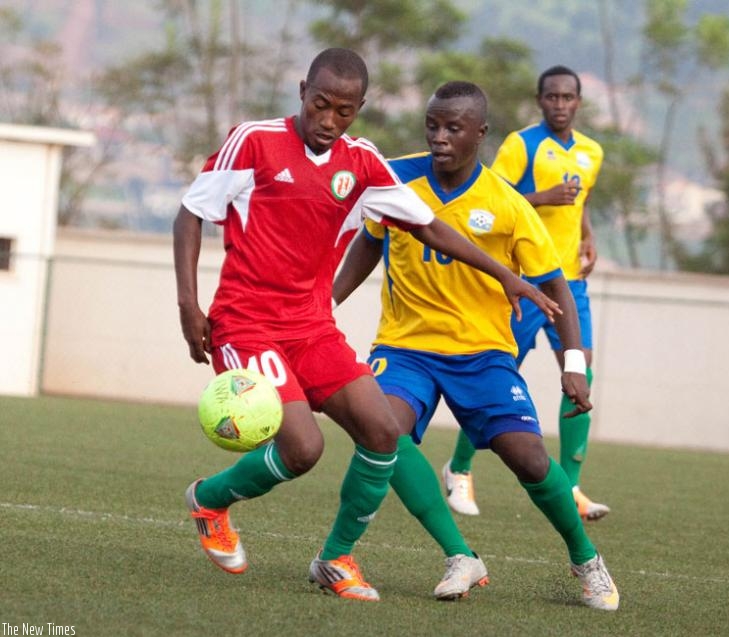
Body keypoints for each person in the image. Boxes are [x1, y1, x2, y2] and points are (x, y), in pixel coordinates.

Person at [173, 49, 558, 603]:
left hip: (312, 327)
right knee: (304, 448)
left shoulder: (362, 161)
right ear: (303, 90)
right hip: (247, 322)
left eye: (344, 111)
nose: (329, 121)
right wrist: (190, 307)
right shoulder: (254, 140)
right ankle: (210, 500)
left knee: (383, 432)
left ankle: (337, 559)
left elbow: (429, 228)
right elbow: (190, 214)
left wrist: (507, 277)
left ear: (359, 108)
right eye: (320, 104)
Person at [333, 81, 619, 610]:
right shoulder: (396, 178)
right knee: (382, 433)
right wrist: (323, 303)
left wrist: (573, 364)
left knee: (530, 459)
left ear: (480, 134)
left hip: (483, 352)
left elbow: (555, 283)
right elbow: (368, 245)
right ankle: (451, 554)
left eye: (453, 128)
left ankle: (586, 560)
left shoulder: (508, 204)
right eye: (432, 126)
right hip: (405, 347)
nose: (440, 137)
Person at [442, 65, 610, 521]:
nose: (560, 104)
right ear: (540, 100)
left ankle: (571, 487)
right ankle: (459, 469)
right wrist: (544, 196)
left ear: (578, 101)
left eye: (568, 97)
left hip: (568, 280)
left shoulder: (592, 152)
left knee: (581, 374)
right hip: (523, 280)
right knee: (496, 375)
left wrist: (587, 236)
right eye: (552, 97)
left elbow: (582, 204)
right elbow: (489, 198)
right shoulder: (522, 145)